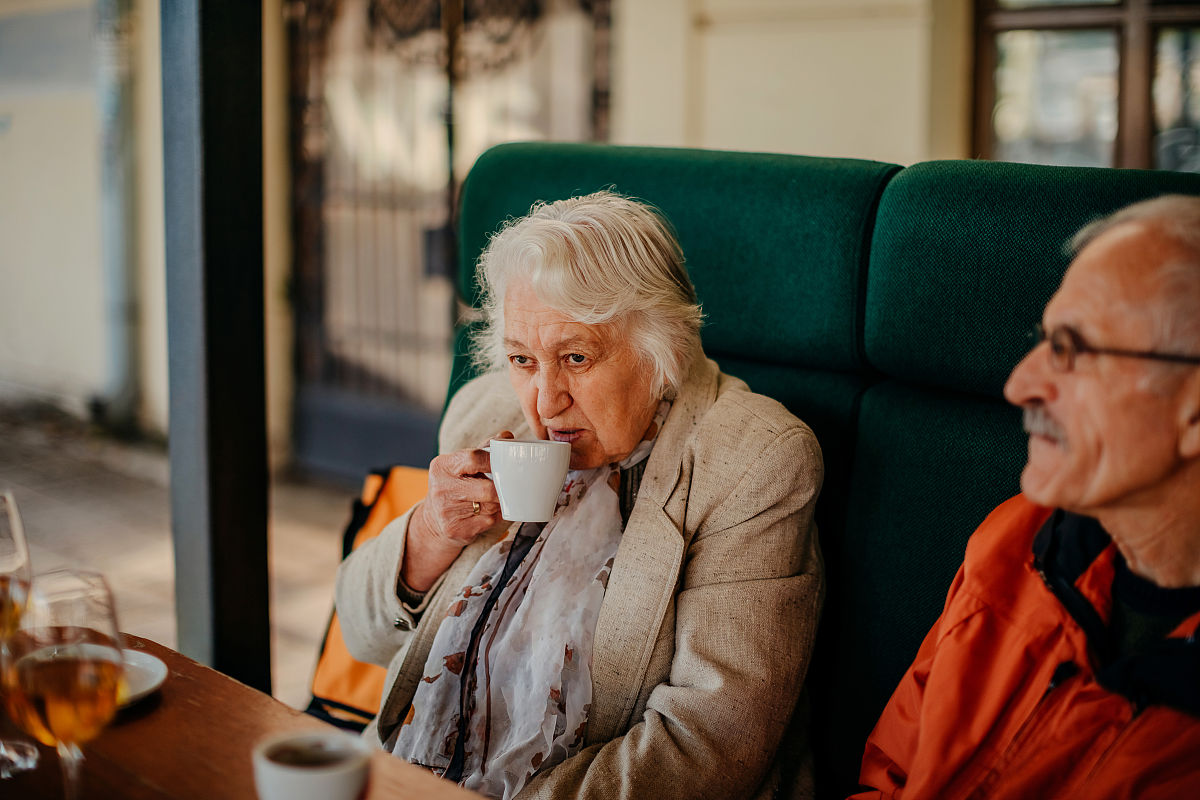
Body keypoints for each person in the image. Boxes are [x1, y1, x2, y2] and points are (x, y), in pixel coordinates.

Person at [335, 190, 825, 800]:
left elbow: (709, 746)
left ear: (660, 350)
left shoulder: (752, 459)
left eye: (575, 357)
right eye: (521, 358)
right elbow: (363, 637)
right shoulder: (484, 415)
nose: (543, 401)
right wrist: (431, 533)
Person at [852, 195, 1200, 799]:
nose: (1018, 384)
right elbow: (888, 778)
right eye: (1043, 339)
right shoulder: (1013, 540)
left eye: (1071, 349)